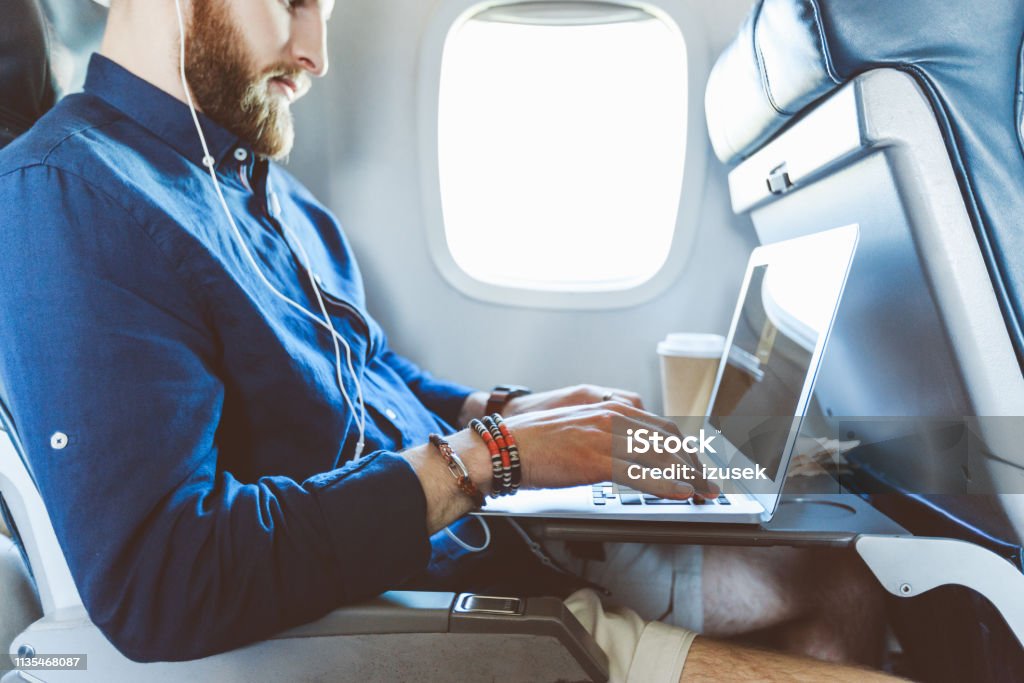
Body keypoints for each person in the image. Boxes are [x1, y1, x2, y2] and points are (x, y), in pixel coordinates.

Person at [0, 1, 895, 680]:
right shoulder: (71, 195)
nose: (316, 54)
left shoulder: (273, 195)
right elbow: (163, 581)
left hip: (481, 546)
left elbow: (371, 373)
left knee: (833, 580)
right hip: (407, 610)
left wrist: (509, 414)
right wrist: (494, 456)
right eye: (292, 2)